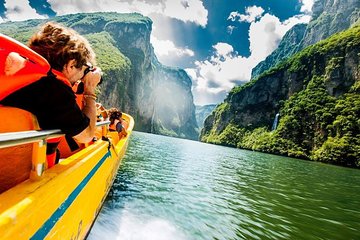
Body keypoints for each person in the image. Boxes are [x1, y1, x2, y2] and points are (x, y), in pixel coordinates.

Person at [0, 22, 102, 167]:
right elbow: (87, 135)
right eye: (85, 69)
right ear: (71, 65)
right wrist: (90, 90)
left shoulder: (18, 74)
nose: (83, 76)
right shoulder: (54, 90)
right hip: (20, 176)